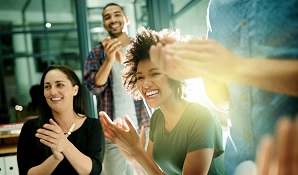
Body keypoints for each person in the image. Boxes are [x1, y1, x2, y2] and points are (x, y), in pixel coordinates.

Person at [149, 1, 298, 174]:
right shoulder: (216, 8)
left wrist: (236, 68)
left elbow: (232, 68)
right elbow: (223, 101)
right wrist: (204, 70)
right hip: (237, 164)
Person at [99, 27, 225, 175]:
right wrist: (133, 157)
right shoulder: (157, 118)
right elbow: (151, 172)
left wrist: (138, 152)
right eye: (140, 77)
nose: (145, 84)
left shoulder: (201, 119)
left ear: (174, 73)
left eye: (155, 73)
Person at [83, 3, 151, 175]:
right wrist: (109, 59)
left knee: (148, 171)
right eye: (107, 17)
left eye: (117, 15)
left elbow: (152, 80)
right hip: (112, 131)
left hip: (144, 125)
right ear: (104, 24)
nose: (113, 19)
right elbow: (93, 87)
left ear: (126, 19)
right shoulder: (97, 53)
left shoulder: (141, 48)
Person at [17, 65, 105, 175]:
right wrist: (55, 159)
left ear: (75, 90)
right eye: (47, 87)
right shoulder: (31, 128)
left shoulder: (93, 125)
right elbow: (25, 173)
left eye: (60, 85)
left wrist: (64, 144)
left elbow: (93, 171)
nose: (53, 91)